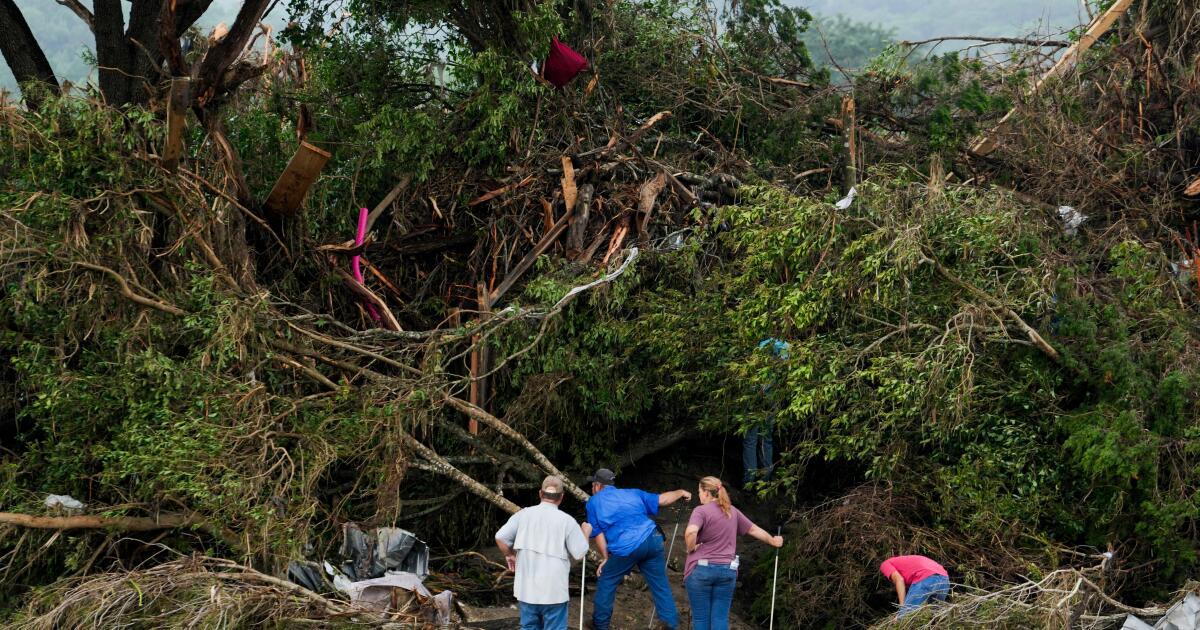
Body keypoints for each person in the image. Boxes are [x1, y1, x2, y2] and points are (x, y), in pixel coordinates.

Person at [583, 468, 692, 630]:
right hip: (653, 539)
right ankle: (671, 626)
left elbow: (597, 534)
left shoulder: (593, 502)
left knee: (607, 580)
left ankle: (600, 625)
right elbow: (662, 499)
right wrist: (680, 492)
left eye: (593, 485)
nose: (592, 489)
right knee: (661, 586)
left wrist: (606, 558)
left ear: (598, 486)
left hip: (628, 546)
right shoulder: (633, 493)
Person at [683, 476, 783, 630]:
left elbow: (690, 533)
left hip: (702, 570)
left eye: (699, 492)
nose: (699, 495)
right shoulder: (732, 511)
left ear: (707, 493)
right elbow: (753, 529)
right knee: (720, 620)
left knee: (701, 620)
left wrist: (691, 548)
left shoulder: (700, 511)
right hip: (727, 570)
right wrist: (772, 541)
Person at [495, 475, 589, 630]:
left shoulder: (523, 514)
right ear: (561, 497)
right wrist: (585, 532)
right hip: (554, 592)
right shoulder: (567, 521)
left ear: (540, 493)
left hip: (527, 591)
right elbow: (579, 552)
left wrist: (509, 555)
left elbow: (500, 537)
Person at [744, 337, 790, 486]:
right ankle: (765, 480)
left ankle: (749, 480)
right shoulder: (787, 347)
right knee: (766, 440)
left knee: (751, 440)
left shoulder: (765, 344)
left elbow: (756, 373)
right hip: (774, 399)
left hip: (758, 397)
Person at [880, 554, 950, 617]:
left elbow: (899, 580)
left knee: (905, 616)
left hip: (925, 577)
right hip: (944, 579)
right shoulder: (905, 563)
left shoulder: (885, 564)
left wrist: (902, 608)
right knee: (935, 618)